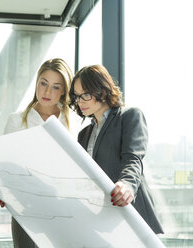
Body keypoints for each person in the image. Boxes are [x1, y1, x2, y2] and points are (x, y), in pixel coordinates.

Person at [69, 64, 164, 234]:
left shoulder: (129, 116)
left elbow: (133, 160)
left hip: (131, 213)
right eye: (77, 96)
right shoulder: (84, 134)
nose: (80, 101)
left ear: (103, 91)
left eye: (86, 95)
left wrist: (127, 185)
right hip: (102, 218)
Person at [0, 58, 74, 248]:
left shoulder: (75, 122)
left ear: (63, 90)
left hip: (66, 209)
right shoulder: (16, 121)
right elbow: (4, 167)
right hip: (26, 208)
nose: (47, 92)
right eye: (43, 83)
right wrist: (0, 189)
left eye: (56, 87)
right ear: (36, 82)